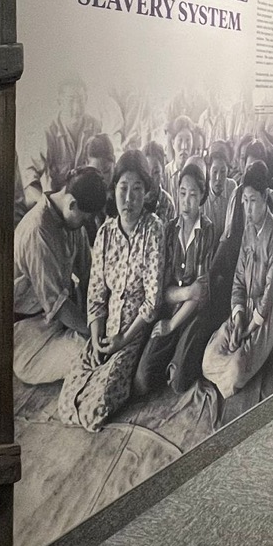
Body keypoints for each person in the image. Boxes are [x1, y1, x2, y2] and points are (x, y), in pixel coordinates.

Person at [57, 151, 163, 431]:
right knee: (66, 402)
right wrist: (95, 338)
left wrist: (122, 339)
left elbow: (152, 302)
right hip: (104, 330)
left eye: (137, 189)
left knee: (95, 409)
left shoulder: (153, 229)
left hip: (133, 332)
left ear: (146, 193)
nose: (129, 198)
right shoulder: (105, 233)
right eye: (123, 188)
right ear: (113, 190)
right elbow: (96, 294)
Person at [13, 167, 108, 385]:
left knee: (108, 334)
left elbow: (88, 274)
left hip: (59, 318)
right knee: (92, 353)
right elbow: (58, 306)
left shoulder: (72, 220)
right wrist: (94, 332)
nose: (86, 223)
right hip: (29, 331)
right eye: (85, 218)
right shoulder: (37, 231)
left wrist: (98, 319)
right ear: (72, 204)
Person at [133, 162, 221, 396]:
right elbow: (161, 289)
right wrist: (186, 292)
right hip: (170, 307)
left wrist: (172, 325)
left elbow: (200, 293)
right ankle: (173, 353)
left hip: (194, 313)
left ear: (202, 196)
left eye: (193, 194)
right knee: (142, 380)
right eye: (182, 193)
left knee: (178, 382)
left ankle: (182, 353)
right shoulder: (169, 230)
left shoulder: (207, 231)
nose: (186, 201)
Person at [202, 161, 273, 399]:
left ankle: (234, 370)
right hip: (243, 311)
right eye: (244, 201)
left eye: (253, 201)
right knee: (208, 359)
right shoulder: (248, 229)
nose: (248, 209)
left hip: (261, 318)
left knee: (236, 370)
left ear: (265, 197)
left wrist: (248, 328)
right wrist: (237, 317)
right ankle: (228, 368)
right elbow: (238, 277)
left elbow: (270, 292)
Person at [24, 77, 100, 207]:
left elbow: (103, 169)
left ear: (86, 99)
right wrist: (46, 204)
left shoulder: (95, 127)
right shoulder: (47, 133)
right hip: (56, 205)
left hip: (85, 205)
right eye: (71, 101)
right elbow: (29, 181)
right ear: (59, 101)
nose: (76, 108)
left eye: (80, 100)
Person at [203, 140, 237, 234]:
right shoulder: (202, 191)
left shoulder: (232, 187)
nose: (218, 178)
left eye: (223, 172)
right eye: (214, 172)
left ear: (228, 171)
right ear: (209, 170)